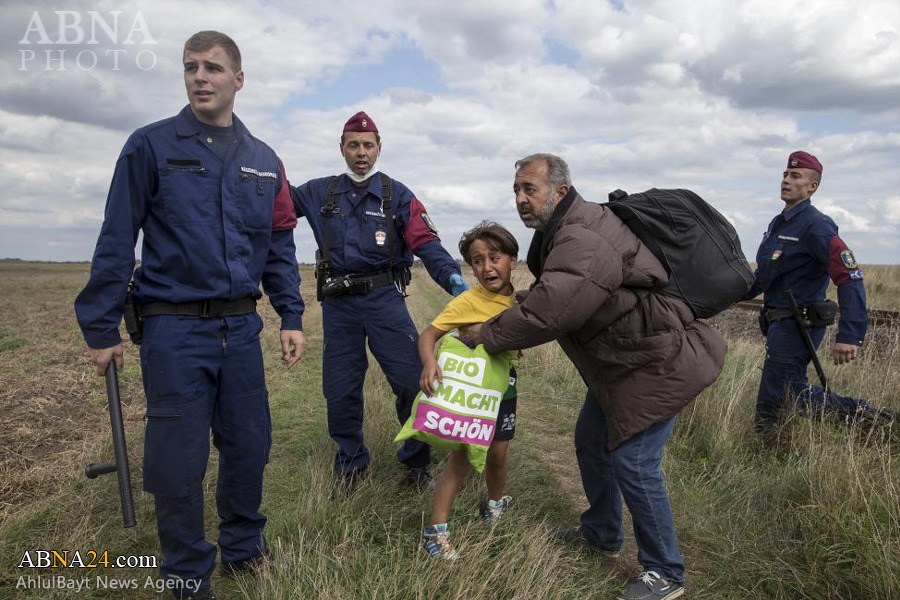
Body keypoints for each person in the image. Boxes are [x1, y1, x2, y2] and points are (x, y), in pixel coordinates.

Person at [74, 31, 305, 600]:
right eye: (191, 67)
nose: (200, 77)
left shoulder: (264, 161)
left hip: (240, 328)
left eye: (213, 68)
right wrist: (101, 326)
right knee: (178, 459)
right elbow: (116, 235)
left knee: (250, 445)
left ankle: (244, 548)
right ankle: (184, 570)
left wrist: (291, 314)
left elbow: (277, 243)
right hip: (173, 329)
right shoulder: (150, 146)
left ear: (238, 80)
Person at [466, 154, 725, 600]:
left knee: (636, 462)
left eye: (530, 189)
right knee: (591, 439)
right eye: (516, 191)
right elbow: (564, 292)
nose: (521, 199)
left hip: (652, 362)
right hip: (623, 364)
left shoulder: (581, 235)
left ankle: (665, 572)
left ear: (560, 192)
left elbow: (555, 309)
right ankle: (602, 530)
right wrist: (516, 307)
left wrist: (488, 334)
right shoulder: (566, 231)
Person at [291, 111, 467, 497]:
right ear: (341, 148)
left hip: (384, 299)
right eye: (353, 145)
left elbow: (426, 242)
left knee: (411, 382)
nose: (361, 152)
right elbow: (275, 204)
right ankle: (351, 463)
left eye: (368, 145)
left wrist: (452, 278)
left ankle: (416, 462)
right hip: (338, 305)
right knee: (340, 389)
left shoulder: (397, 195)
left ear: (379, 148)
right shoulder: (321, 192)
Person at [748, 150, 894, 436]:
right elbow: (763, 277)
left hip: (798, 322)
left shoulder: (817, 226)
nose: (786, 180)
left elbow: (850, 276)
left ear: (812, 186)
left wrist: (850, 335)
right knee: (785, 392)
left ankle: (878, 421)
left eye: (795, 176)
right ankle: (772, 445)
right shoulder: (779, 224)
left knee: (785, 393)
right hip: (778, 322)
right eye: (785, 175)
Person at [418, 221, 521, 560]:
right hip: (471, 395)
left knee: (498, 454)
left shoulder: (522, 305)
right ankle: (435, 533)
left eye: (495, 257)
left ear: (513, 261)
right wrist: (430, 363)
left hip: (503, 392)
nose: (487, 266)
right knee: (460, 459)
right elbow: (428, 335)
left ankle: (493, 506)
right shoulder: (467, 302)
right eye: (478, 260)